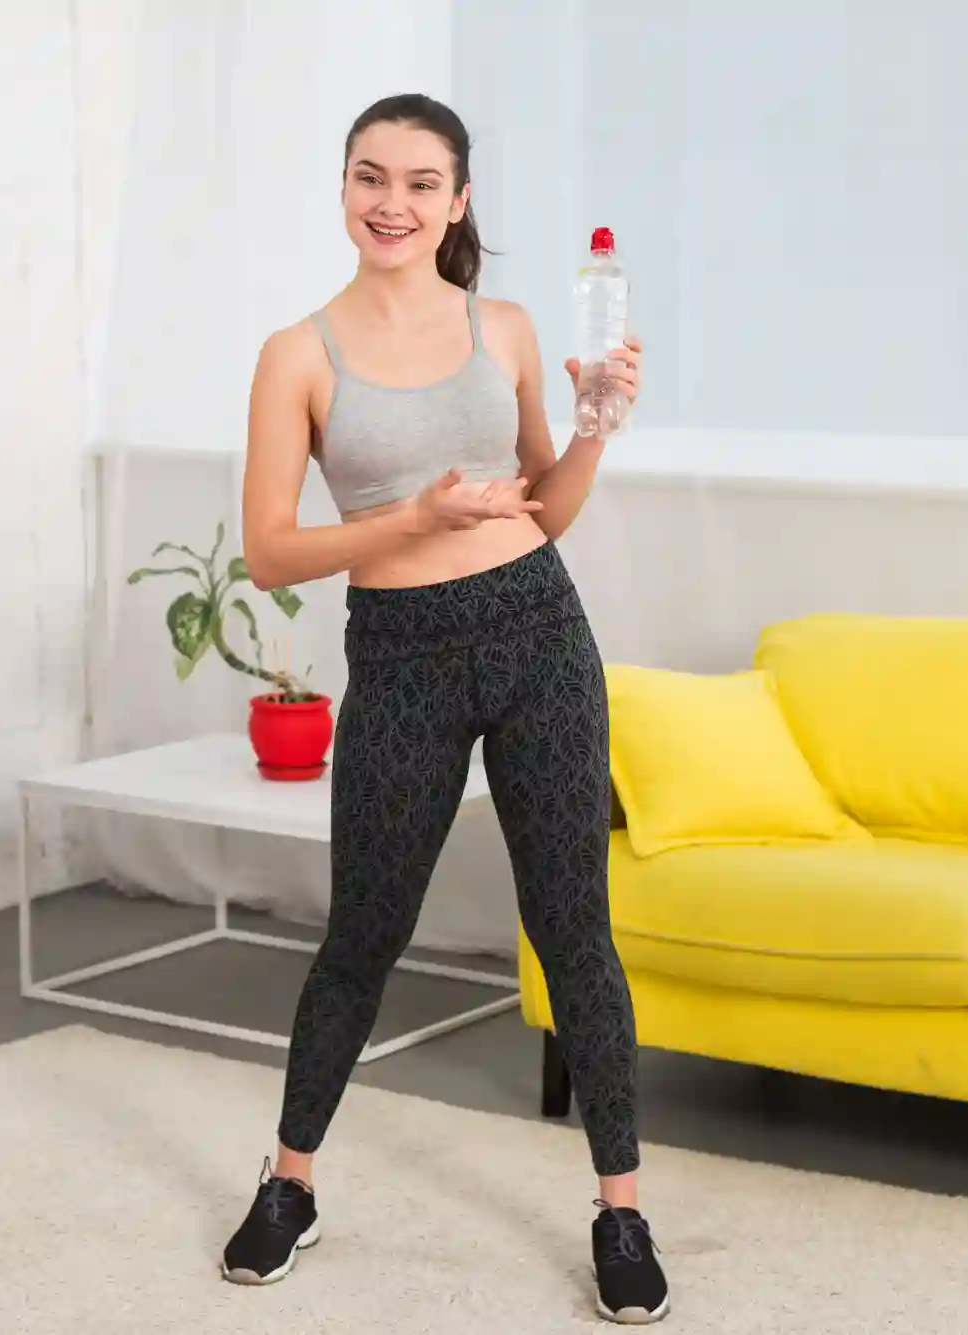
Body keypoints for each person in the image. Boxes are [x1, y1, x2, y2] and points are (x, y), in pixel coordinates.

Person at [222, 92, 667, 1325]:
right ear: (344, 188)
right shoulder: (295, 354)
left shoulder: (509, 327)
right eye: (371, 177)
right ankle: (289, 1183)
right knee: (361, 930)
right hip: (404, 650)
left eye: (421, 183)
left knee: (573, 926)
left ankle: (620, 1209)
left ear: (457, 202)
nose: (392, 203)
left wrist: (592, 431)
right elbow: (267, 552)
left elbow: (546, 506)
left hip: (537, 632)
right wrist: (415, 518)